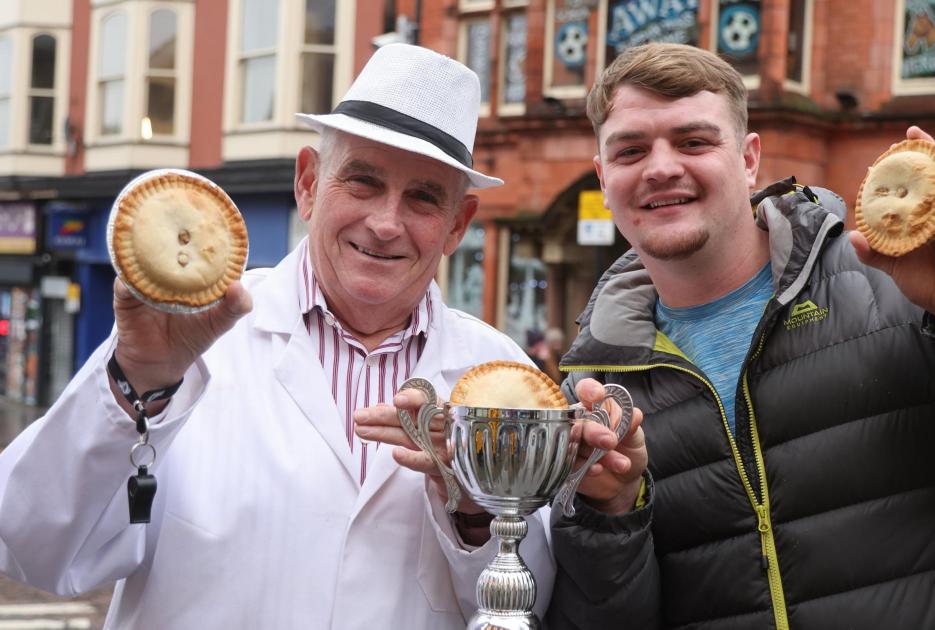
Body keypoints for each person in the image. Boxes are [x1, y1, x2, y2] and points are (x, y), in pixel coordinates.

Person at [545, 43, 935, 629]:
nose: (660, 168)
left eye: (693, 140)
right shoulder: (593, 385)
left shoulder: (903, 281)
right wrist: (611, 516)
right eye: (630, 152)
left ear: (748, 157)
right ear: (603, 176)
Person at [0, 44, 563, 629]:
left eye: (423, 197)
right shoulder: (188, 335)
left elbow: (531, 605)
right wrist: (134, 384)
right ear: (309, 184)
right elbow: (32, 544)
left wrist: (471, 504)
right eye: (363, 182)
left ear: (458, 225)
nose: (386, 222)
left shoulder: (500, 377)